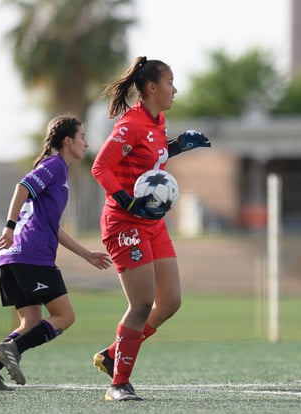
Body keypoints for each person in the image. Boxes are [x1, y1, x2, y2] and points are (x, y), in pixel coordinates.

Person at [91, 56, 211, 401]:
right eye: (170, 82)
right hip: (124, 221)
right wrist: (127, 201)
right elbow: (101, 168)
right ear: (151, 88)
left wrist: (175, 146)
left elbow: (149, 158)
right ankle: (118, 384)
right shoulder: (130, 125)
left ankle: (116, 352)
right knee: (142, 303)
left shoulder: (158, 121)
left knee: (170, 301)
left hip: (152, 223)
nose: (176, 88)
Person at [0, 114, 112, 390]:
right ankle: (12, 350)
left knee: (31, 321)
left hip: (12, 257)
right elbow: (21, 187)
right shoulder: (56, 165)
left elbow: (52, 226)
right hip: (31, 256)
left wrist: (86, 254)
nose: (86, 142)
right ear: (67, 141)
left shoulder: (56, 170)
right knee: (65, 316)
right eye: (82, 136)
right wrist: (9, 226)